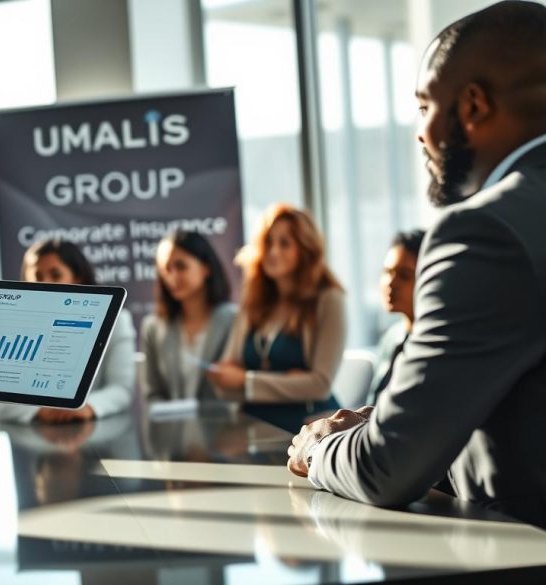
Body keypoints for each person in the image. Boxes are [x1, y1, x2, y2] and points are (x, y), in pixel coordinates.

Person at [287, 0, 546, 530]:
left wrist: (322, 447)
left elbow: (387, 468)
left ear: (472, 106)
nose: (419, 133)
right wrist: (408, 424)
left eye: (424, 105)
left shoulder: (484, 232)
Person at [208, 203, 346, 432]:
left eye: (285, 243)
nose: (273, 252)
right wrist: (288, 380)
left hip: (308, 429)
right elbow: (223, 382)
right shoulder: (252, 301)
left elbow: (320, 384)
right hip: (253, 426)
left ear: (305, 249)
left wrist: (246, 381)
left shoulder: (329, 299)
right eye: (268, 242)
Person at [0, 238, 135, 423]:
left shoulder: (116, 321)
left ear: (77, 277)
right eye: (37, 276)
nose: (45, 284)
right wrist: (39, 411)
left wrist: (85, 407)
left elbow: (121, 389)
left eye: (55, 275)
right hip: (33, 437)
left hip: (94, 433)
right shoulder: (13, 326)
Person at [140, 229, 238, 402]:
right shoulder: (152, 328)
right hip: (172, 427)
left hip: (228, 426)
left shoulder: (234, 320)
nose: (172, 277)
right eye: (166, 269)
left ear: (206, 268)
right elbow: (152, 393)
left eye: (181, 266)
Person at [367, 229, 425, 406]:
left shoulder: (434, 342)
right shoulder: (392, 338)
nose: (390, 283)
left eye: (404, 275)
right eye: (387, 272)